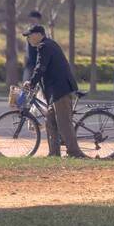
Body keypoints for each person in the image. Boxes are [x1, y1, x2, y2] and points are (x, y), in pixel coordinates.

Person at [22, 25, 86, 158]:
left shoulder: (44, 46)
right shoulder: (49, 44)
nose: (28, 38)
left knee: (64, 123)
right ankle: (54, 153)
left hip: (60, 90)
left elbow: (41, 67)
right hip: (55, 91)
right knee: (50, 121)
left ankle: (75, 153)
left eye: (29, 35)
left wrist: (32, 82)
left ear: (38, 34)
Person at [22, 10, 43, 82]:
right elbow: (26, 48)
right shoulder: (28, 31)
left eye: (33, 20)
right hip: (29, 62)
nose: (31, 22)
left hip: (40, 62)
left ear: (38, 20)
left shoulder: (42, 32)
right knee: (26, 82)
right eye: (30, 20)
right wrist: (25, 58)